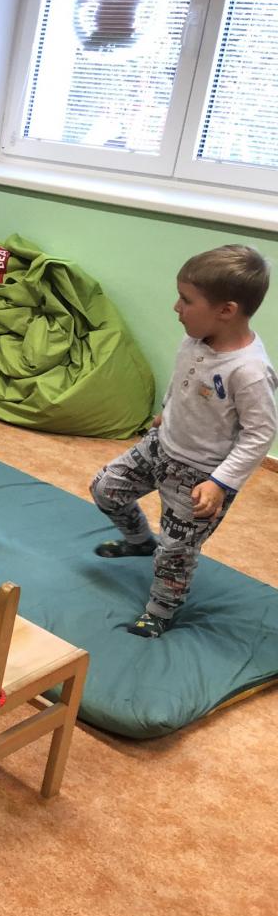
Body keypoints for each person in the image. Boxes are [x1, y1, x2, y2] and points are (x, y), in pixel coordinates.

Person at [91, 244, 277, 638]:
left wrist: (220, 483)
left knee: (176, 550)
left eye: (186, 300)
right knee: (106, 489)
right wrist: (168, 411)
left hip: (200, 476)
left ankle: (160, 610)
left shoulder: (250, 371)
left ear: (226, 310)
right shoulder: (195, 339)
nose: (176, 308)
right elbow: (183, 382)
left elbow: (260, 434)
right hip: (161, 445)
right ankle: (138, 541)